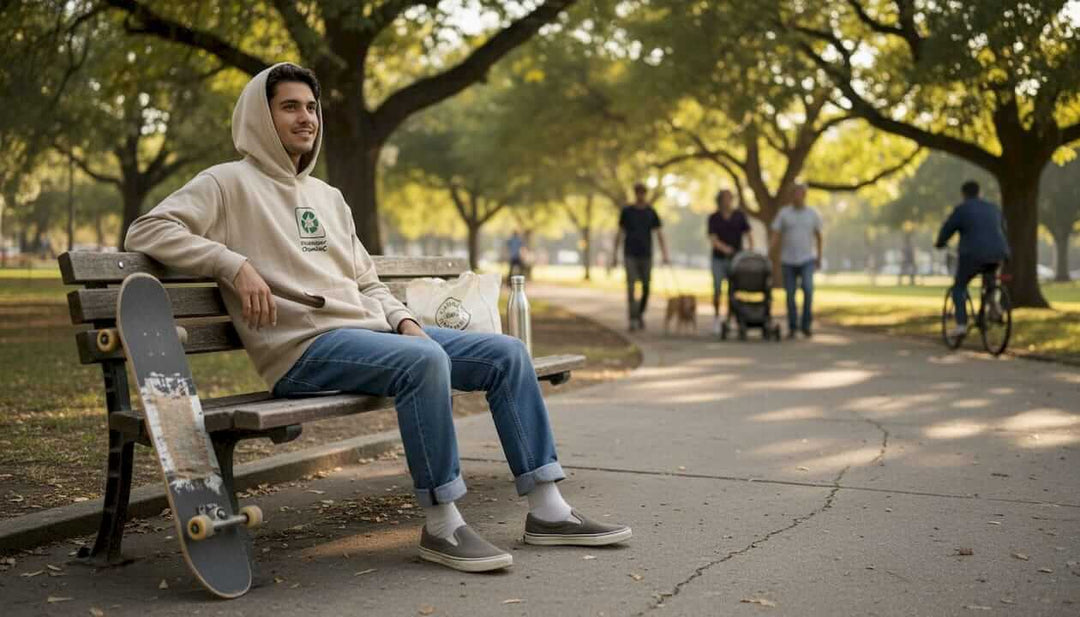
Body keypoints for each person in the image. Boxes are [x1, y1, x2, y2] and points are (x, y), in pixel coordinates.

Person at [125, 63, 630, 574]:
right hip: (303, 350)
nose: (307, 118)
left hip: (374, 333)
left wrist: (405, 321)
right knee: (425, 361)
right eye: (290, 107)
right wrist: (231, 264)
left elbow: (368, 282)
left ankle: (547, 510)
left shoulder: (329, 198)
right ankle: (442, 525)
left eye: (312, 107)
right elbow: (147, 231)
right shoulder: (226, 184)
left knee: (506, 353)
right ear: (261, 116)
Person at [934, 180, 1010, 338]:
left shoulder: (962, 210)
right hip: (998, 252)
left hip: (972, 255)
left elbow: (948, 229)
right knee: (990, 281)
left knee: (959, 287)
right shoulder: (993, 208)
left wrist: (940, 242)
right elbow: (1003, 228)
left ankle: (961, 324)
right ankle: (993, 306)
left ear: (963, 194)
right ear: (979, 192)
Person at [612, 182, 671, 331]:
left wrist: (665, 253)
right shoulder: (627, 211)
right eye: (638, 192)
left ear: (645, 194)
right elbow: (620, 233)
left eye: (642, 193)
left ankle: (639, 314)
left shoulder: (651, 212)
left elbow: (659, 233)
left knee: (646, 286)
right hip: (630, 254)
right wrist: (614, 254)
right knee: (631, 286)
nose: (640, 195)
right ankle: (632, 318)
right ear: (635, 193)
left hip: (646, 254)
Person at [770, 183, 823, 338]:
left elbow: (819, 236)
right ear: (791, 195)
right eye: (795, 194)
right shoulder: (784, 213)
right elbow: (776, 235)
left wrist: (819, 256)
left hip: (807, 259)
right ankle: (793, 327)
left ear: (805, 195)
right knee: (790, 294)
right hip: (788, 260)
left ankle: (806, 325)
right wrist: (770, 255)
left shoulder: (813, 214)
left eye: (800, 194)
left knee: (808, 289)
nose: (797, 197)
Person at [706, 189, 753, 336]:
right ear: (719, 200)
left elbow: (749, 233)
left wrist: (750, 251)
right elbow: (713, 239)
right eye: (725, 198)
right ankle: (716, 317)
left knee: (733, 290)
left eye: (729, 198)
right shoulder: (714, 218)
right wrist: (725, 248)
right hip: (719, 258)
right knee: (718, 288)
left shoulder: (739, 216)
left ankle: (730, 318)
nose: (727, 201)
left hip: (736, 259)